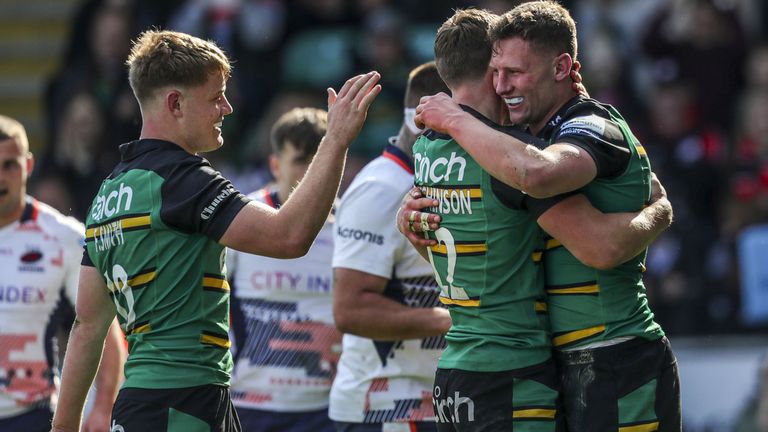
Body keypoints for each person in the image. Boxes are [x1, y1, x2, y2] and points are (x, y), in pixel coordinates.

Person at [51, 29, 380, 432]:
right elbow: (288, 236)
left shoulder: (109, 191)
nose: (226, 107)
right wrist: (336, 139)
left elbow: (88, 326)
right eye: (215, 97)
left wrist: (63, 427)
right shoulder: (181, 178)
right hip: (186, 402)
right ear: (175, 103)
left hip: (143, 403)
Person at [395, 8, 674, 431]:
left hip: (615, 353)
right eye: (497, 72)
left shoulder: (590, 125)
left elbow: (582, 225)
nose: (503, 86)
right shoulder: (512, 148)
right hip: (543, 362)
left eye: (514, 72)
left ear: (562, 68)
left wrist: (660, 210)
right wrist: (413, 223)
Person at [329, 61, 451, 432]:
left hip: (432, 403)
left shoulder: (433, 180)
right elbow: (350, 310)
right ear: (424, 119)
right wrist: (463, 319)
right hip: (386, 408)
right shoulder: (381, 188)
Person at [0, 114, 125, 432]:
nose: (1, 177)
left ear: (28, 166)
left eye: (10, 165)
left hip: (31, 415)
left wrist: (103, 405)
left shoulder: (64, 237)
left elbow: (101, 326)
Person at [227, 107, 341, 431]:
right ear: (275, 165)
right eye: (301, 160)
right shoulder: (242, 218)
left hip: (325, 407)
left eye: (319, 161)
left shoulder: (350, 224)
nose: (311, 172)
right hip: (251, 402)